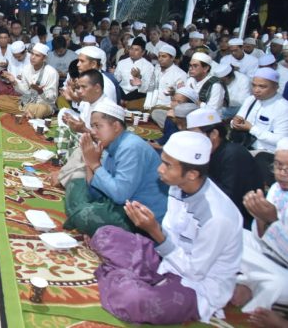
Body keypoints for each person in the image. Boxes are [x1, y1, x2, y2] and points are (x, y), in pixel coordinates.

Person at [91, 131, 243, 325]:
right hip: (165, 260)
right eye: (162, 161)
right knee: (106, 234)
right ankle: (129, 277)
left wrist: (154, 231)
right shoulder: (178, 186)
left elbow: (195, 271)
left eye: (167, 165)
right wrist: (152, 228)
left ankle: (126, 277)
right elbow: (171, 235)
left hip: (196, 286)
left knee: (134, 300)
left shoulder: (218, 217)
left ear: (192, 174)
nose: (160, 169)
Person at [63, 101, 168, 235]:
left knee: (87, 215)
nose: (93, 132)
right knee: (74, 184)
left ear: (116, 126)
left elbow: (120, 195)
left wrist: (95, 164)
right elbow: (95, 190)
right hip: (119, 203)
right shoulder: (111, 144)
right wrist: (89, 162)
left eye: (98, 126)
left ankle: (80, 214)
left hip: (140, 218)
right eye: (92, 126)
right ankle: (81, 213)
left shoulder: (131, 147)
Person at [229, 138, 288, 325]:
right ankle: (252, 285)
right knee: (230, 235)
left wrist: (273, 221)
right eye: (278, 165)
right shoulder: (277, 190)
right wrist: (261, 219)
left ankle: (250, 285)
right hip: (272, 258)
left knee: (280, 285)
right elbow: (261, 240)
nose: (282, 173)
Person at [187, 108, 261, 228]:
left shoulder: (234, 154)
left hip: (238, 222)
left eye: (195, 135)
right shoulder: (205, 152)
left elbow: (230, 199)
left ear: (214, 134)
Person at [0, 43, 58, 118]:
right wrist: (14, 81)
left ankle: (27, 112)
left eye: (37, 55)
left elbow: (52, 99)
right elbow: (24, 91)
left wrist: (40, 91)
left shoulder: (51, 73)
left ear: (44, 58)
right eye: (32, 54)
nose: (33, 57)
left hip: (43, 104)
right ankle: (27, 113)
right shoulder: (26, 69)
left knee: (39, 109)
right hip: (27, 100)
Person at [231, 67, 288, 154]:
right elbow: (238, 119)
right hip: (244, 146)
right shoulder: (251, 99)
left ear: (276, 87)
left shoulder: (283, 107)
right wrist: (234, 123)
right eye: (254, 85)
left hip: (267, 153)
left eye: (262, 86)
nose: (256, 90)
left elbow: (281, 140)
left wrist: (252, 129)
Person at [146, 44, 187, 126]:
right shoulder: (156, 69)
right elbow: (149, 88)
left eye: (164, 56)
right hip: (151, 104)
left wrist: (174, 93)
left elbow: (182, 98)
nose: (160, 59)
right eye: (159, 56)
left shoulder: (180, 74)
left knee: (155, 113)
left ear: (172, 58)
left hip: (166, 108)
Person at [116, 37, 155, 106]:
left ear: (143, 52)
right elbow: (116, 80)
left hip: (138, 96)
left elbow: (148, 87)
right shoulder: (122, 62)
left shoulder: (149, 66)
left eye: (136, 50)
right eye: (131, 49)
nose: (132, 52)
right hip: (122, 93)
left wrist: (138, 77)